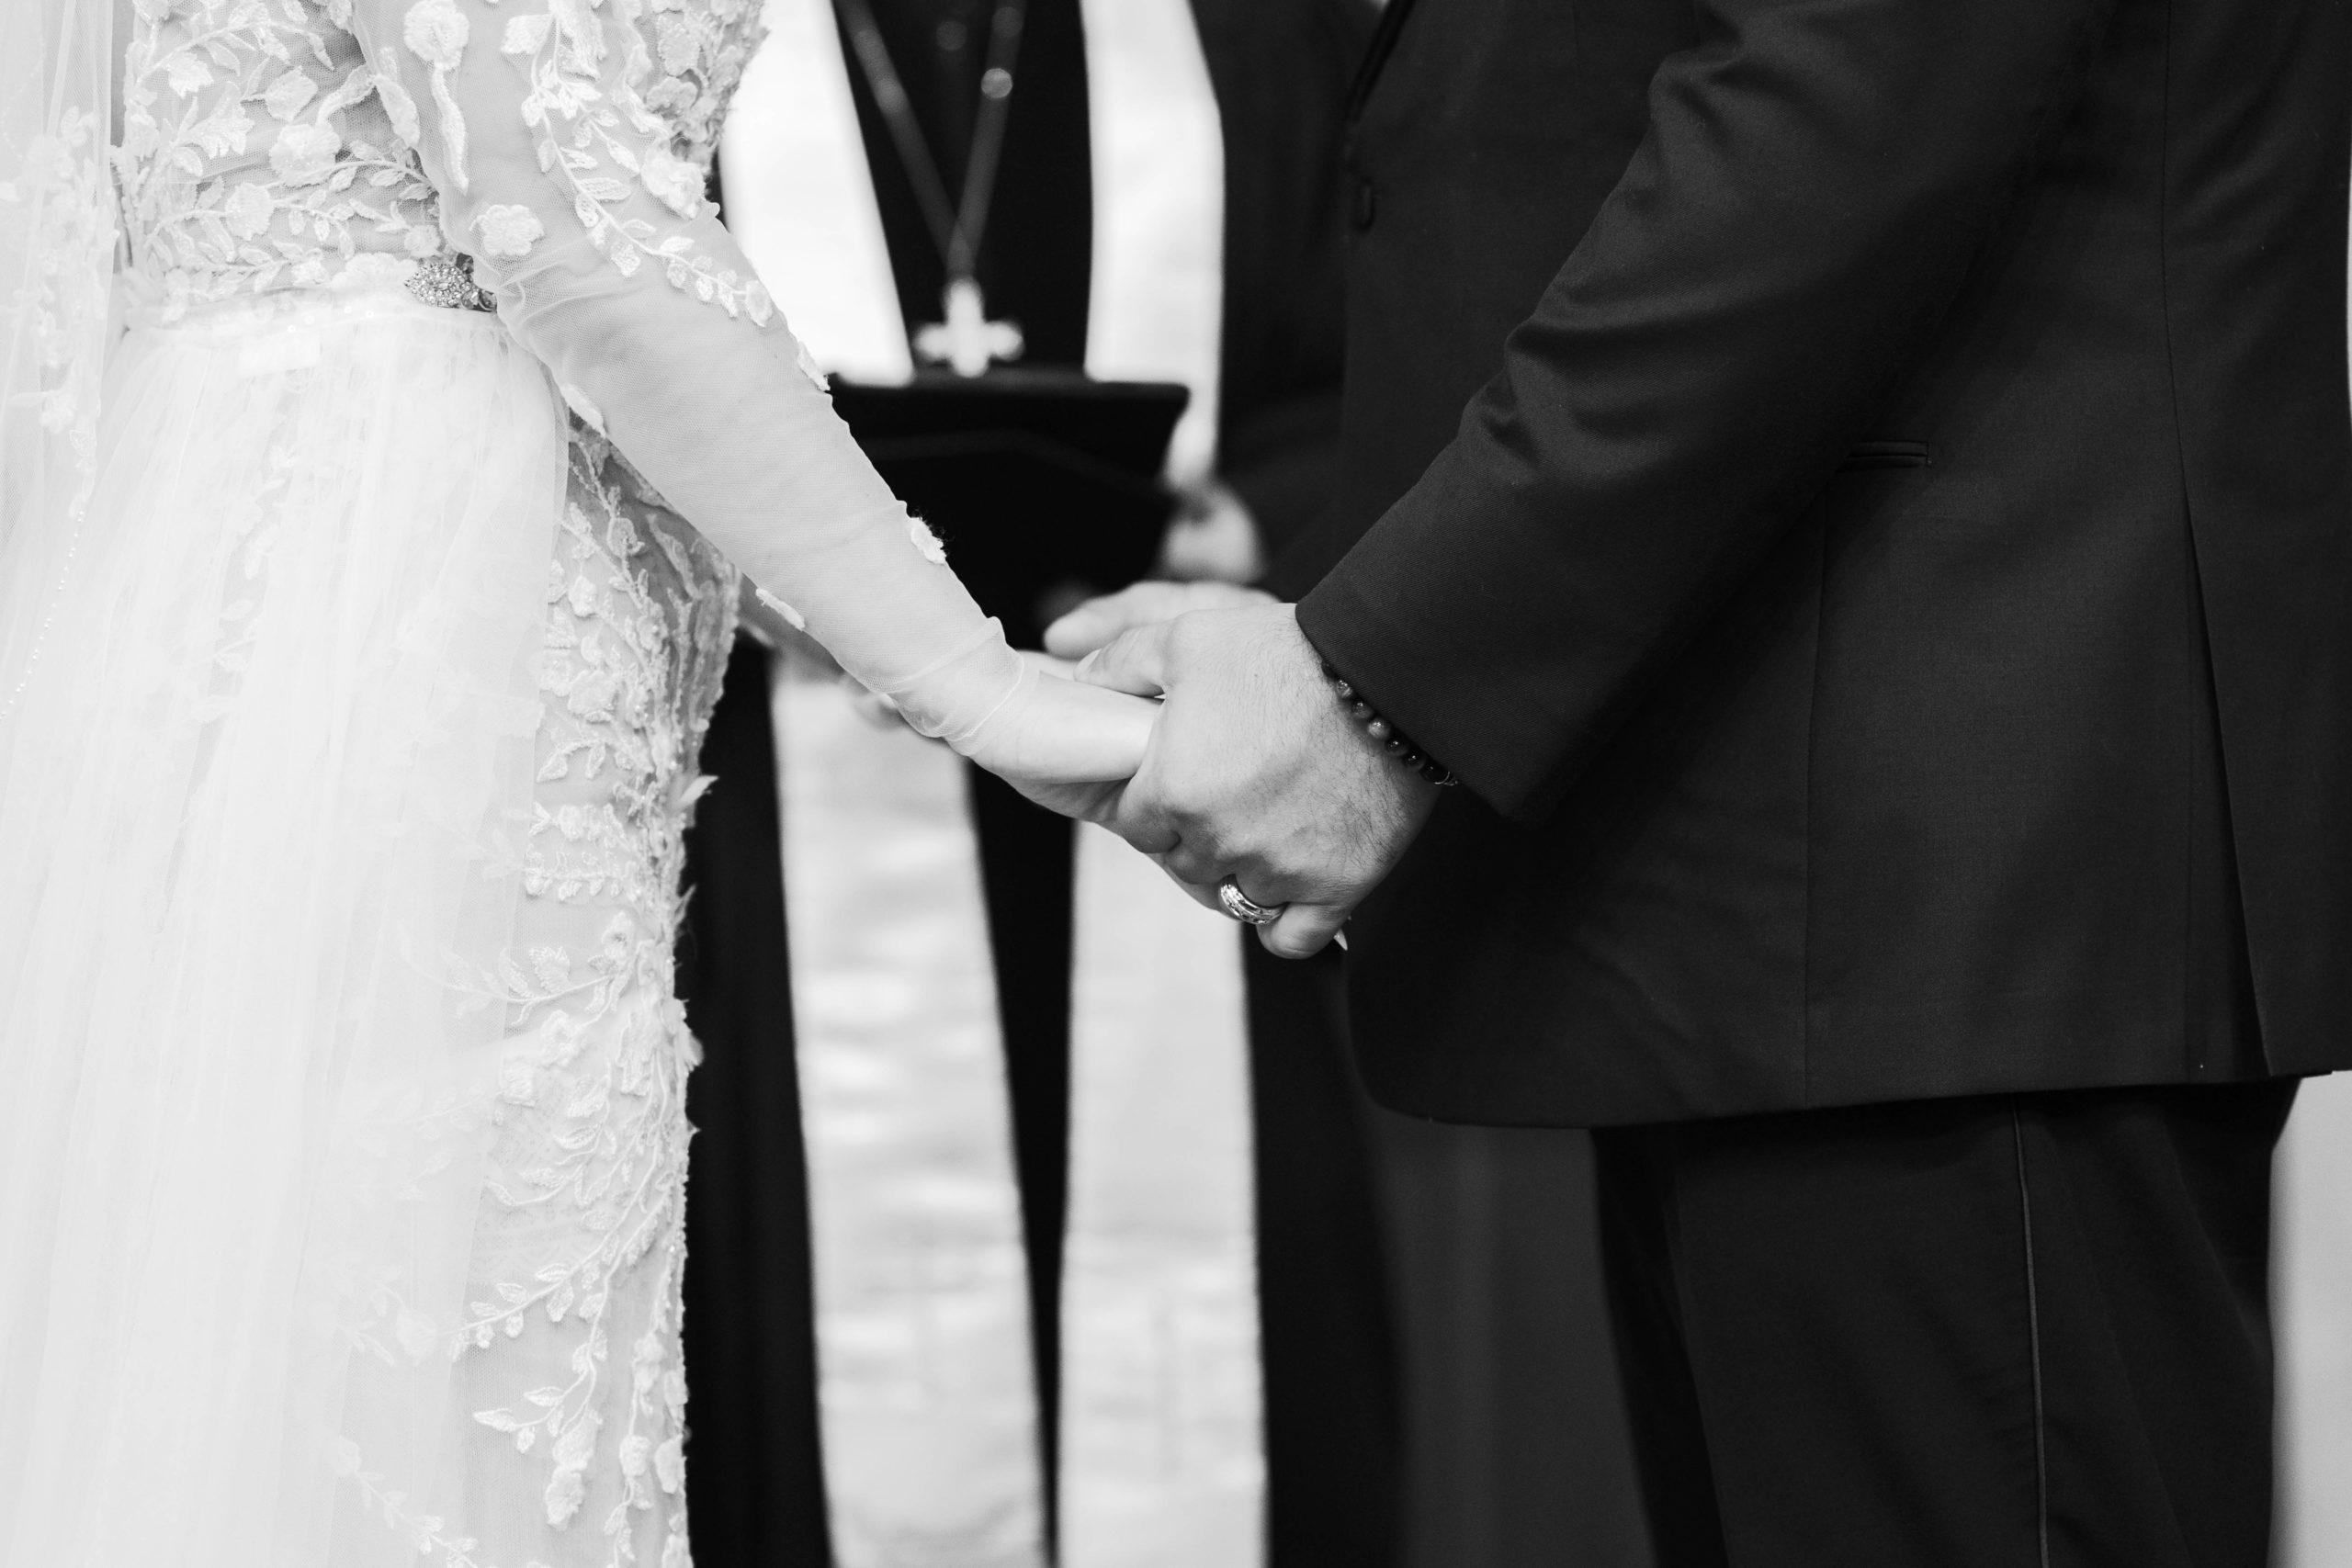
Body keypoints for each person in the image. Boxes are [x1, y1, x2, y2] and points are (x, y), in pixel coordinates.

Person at [1050, 0, 2352, 1559]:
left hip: (1947, 864)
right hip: (1769, 834)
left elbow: (1843, 116)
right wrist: (1354, 628)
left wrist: (1380, 680)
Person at [0, 0, 1152, 1562]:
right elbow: (559, 206)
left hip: (381, 589)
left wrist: (803, 595)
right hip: (405, 642)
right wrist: (978, 684)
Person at [672, 2, 1408, 1562]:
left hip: (1168, 760)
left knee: (1235, 1346)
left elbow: (1354, 355)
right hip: (776, 833)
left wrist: (1253, 539)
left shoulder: (1245, 30)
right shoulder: (686, 35)